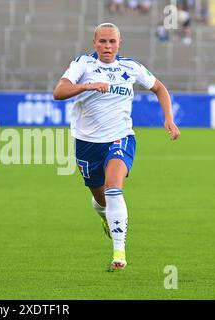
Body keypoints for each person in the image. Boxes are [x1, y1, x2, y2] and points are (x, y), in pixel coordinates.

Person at [53, 23, 181, 270]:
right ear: (94, 42)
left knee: (114, 187)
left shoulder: (130, 67)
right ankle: (105, 217)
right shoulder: (83, 64)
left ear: (119, 42)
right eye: (102, 41)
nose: (107, 46)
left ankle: (119, 251)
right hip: (86, 143)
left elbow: (159, 88)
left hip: (120, 138)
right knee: (100, 199)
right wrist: (87, 86)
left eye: (112, 41)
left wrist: (169, 118)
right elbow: (59, 92)